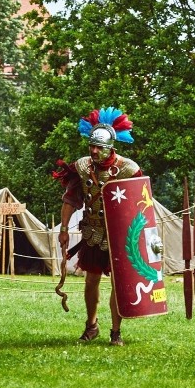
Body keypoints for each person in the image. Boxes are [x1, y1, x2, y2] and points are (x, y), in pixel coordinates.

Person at [55, 107, 140, 347]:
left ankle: (116, 331)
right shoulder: (82, 167)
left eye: (98, 147)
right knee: (90, 280)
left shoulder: (128, 170)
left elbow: (141, 204)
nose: (93, 151)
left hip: (119, 236)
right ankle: (91, 325)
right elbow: (70, 199)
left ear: (111, 147)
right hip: (92, 233)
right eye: (91, 146)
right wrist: (63, 229)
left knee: (117, 283)